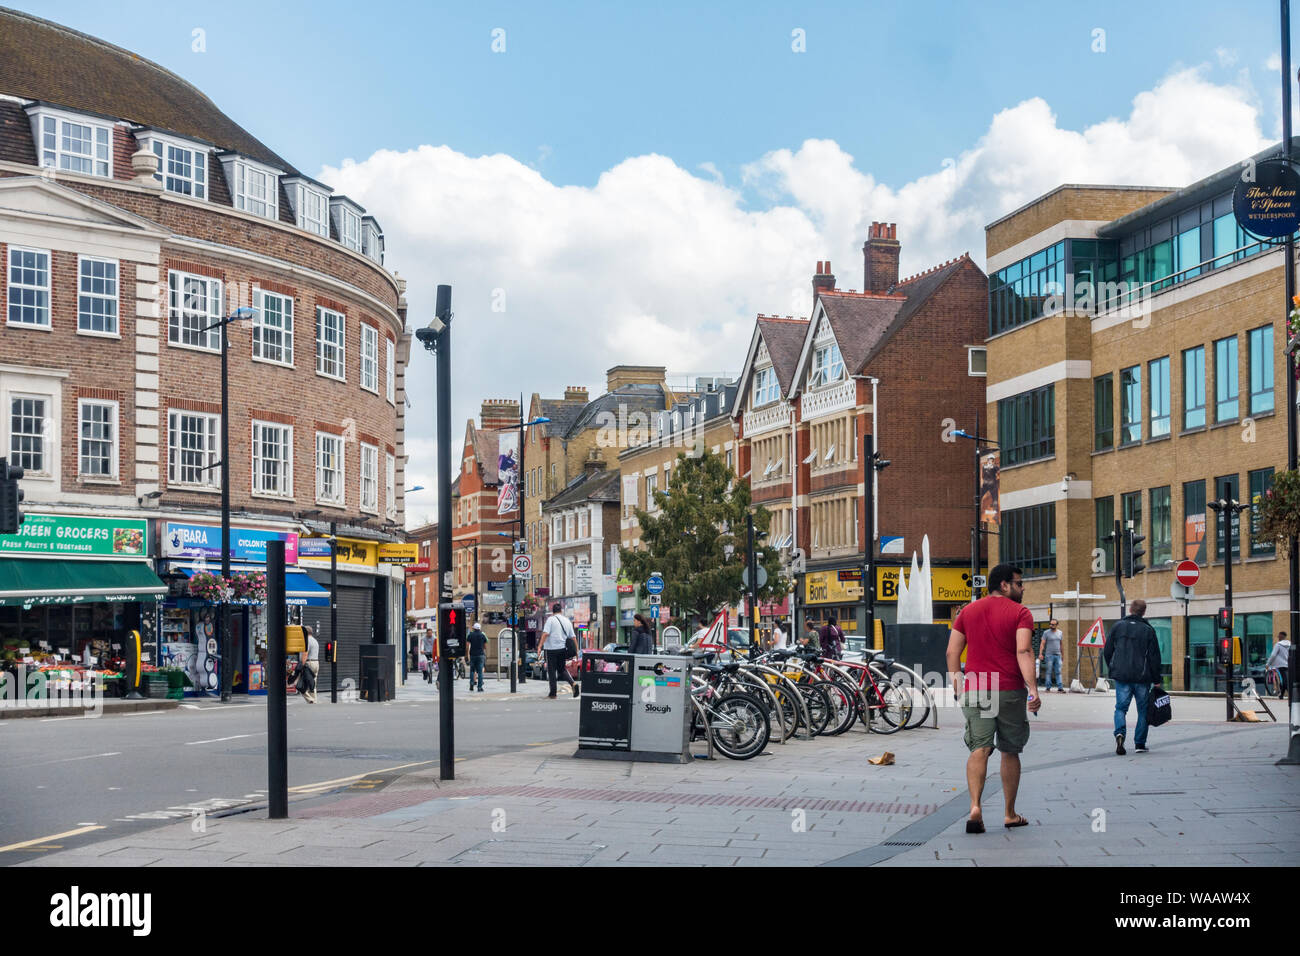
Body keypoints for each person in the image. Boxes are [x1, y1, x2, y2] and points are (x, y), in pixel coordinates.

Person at [946, 563, 1040, 834]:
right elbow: (1023, 651)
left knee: (981, 748)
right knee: (1010, 750)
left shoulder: (967, 612)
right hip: (1009, 687)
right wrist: (1033, 689)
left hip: (976, 686)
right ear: (1004, 585)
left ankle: (975, 806)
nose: (1023, 589)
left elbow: (952, 652)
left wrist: (956, 684)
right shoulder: (1021, 613)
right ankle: (1009, 814)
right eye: (1019, 584)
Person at [1103, 599, 1161, 755]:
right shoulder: (1148, 630)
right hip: (1142, 678)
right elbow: (1155, 657)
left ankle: (1120, 733)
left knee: (1121, 708)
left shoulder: (1118, 626)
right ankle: (1140, 744)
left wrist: (1113, 667)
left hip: (1122, 676)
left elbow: (1107, 651)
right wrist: (1157, 680)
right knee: (1143, 710)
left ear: (1130, 609)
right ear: (1144, 611)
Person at [541, 602, 579, 699]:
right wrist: (577, 650)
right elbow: (573, 637)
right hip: (562, 649)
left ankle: (553, 694)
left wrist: (539, 646)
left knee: (552, 671)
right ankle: (573, 683)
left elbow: (545, 634)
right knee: (562, 669)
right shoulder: (567, 621)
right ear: (561, 611)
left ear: (552, 611)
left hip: (551, 650)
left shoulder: (550, 620)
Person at [1039, 619, 1065, 692]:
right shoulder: (1046, 633)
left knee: (1058, 671)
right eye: (1050, 624)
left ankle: (1060, 687)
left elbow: (1061, 644)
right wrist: (1040, 653)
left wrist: (1063, 655)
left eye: (1053, 624)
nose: (1051, 626)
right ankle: (1048, 687)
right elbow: (1042, 643)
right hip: (1049, 655)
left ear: (1056, 625)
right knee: (1049, 671)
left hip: (1058, 655)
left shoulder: (1060, 633)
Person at [1267, 631, 1291, 699]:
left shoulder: (1278, 645)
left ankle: (1289, 694)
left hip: (1280, 665)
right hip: (1288, 664)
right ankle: (1281, 695)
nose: (1278, 638)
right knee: (1284, 679)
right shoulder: (1290, 644)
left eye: (1279, 636)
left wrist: (1268, 663)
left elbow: (1273, 655)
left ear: (1281, 636)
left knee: (1284, 680)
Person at [299, 624, 320, 704]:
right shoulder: (315, 641)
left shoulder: (306, 641)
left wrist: (302, 665)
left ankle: (310, 700)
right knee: (313, 684)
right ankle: (314, 701)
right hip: (316, 663)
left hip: (309, 663)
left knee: (299, 684)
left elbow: (305, 653)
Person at [466, 621, 488, 691]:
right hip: (480, 655)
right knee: (480, 672)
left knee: (472, 670)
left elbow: (467, 645)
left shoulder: (470, 635)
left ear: (474, 628)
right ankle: (479, 687)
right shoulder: (482, 635)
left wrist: (467, 653)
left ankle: (471, 684)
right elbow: (485, 646)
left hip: (472, 654)